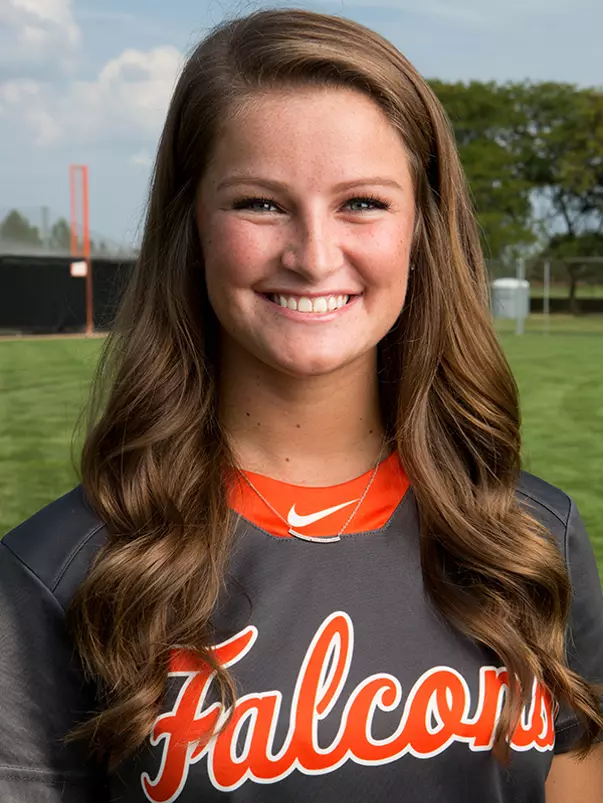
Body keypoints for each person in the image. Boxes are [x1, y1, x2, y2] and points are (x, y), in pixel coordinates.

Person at [0, 8, 602, 803]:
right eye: (259, 203)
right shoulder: (60, 572)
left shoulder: (529, 538)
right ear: (192, 227)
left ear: (421, 228)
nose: (314, 256)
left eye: (362, 203)